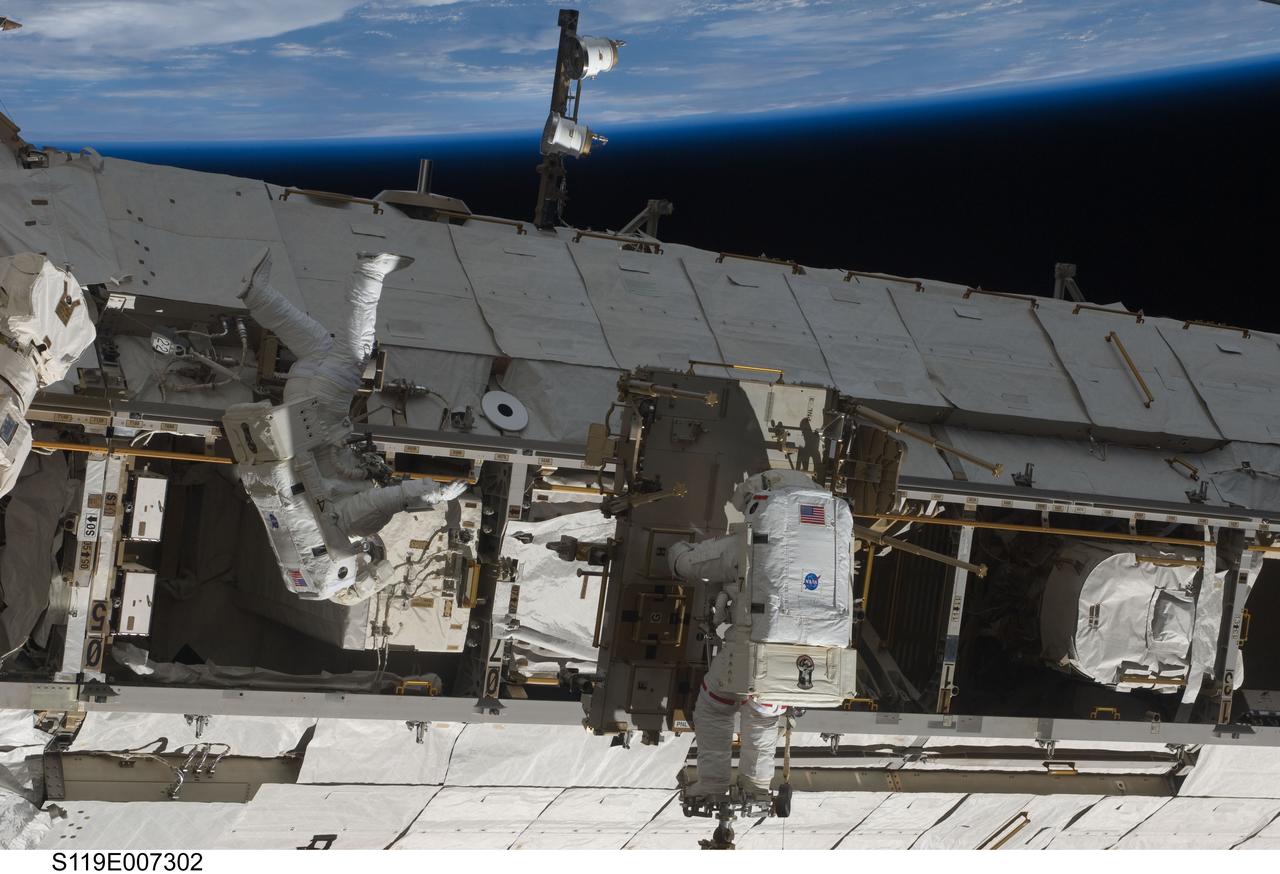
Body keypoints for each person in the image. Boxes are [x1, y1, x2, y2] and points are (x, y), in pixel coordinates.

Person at [227, 248, 466, 602]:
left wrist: (438, 494)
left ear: (366, 561)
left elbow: (391, 499)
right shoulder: (321, 531)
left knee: (356, 351)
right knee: (318, 347)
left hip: (320, 414)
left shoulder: (351, 530)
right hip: (299, 410)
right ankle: (257, 294)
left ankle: (370, 272)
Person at [668, 468, 854, 800]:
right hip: (813, 656)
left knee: (715, 707)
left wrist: (676, 552)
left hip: (756, 646)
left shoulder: (757, 537)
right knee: (763, 714)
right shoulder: (833, 531)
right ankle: (754, 788)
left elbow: (694, 565)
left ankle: (712, 785)